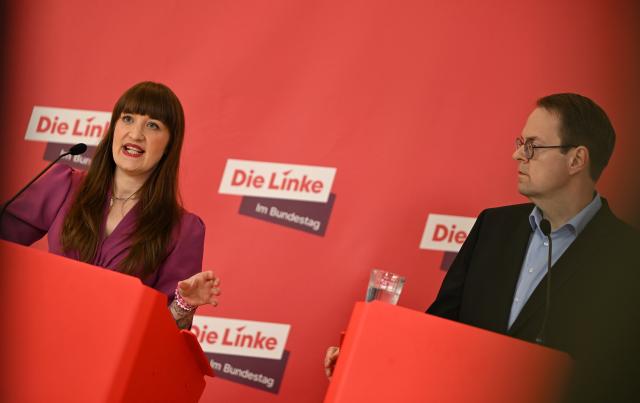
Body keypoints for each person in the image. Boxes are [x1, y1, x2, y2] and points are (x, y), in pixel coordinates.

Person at [325, 93, 640, 400]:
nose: (518, 155)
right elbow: (439, 329)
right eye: (520, 144)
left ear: (576, 160)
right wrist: (365, 357)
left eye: (533, 146)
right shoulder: (493, 227)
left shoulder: (626, 256)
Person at [0, 81, 220, 329]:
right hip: (38, 336)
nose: (135, 134)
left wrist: (185, 304)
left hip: (109, 358)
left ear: (169, 144)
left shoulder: (183, 230)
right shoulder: (63, 185)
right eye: (127, 119)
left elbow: (165, 336)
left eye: (152, 125)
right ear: (113, 127)